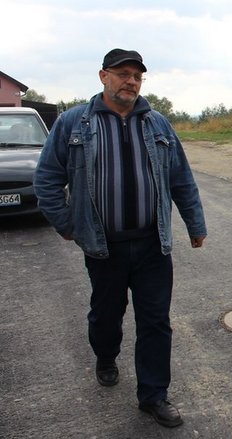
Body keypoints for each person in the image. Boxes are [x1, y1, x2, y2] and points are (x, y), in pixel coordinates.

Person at [33, 48, 207, 428]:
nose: (131, 81)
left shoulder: (158, 124)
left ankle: (154, 395)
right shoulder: (73, 123)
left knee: (156, 321)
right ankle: (106, 355)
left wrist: (195, 224)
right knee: (106, 316)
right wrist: (67, 224)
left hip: (151, 245)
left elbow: (181, 178)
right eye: (123, 73)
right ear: (103, 76)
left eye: (137, 76)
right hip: (103, 246)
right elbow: (46, 179)